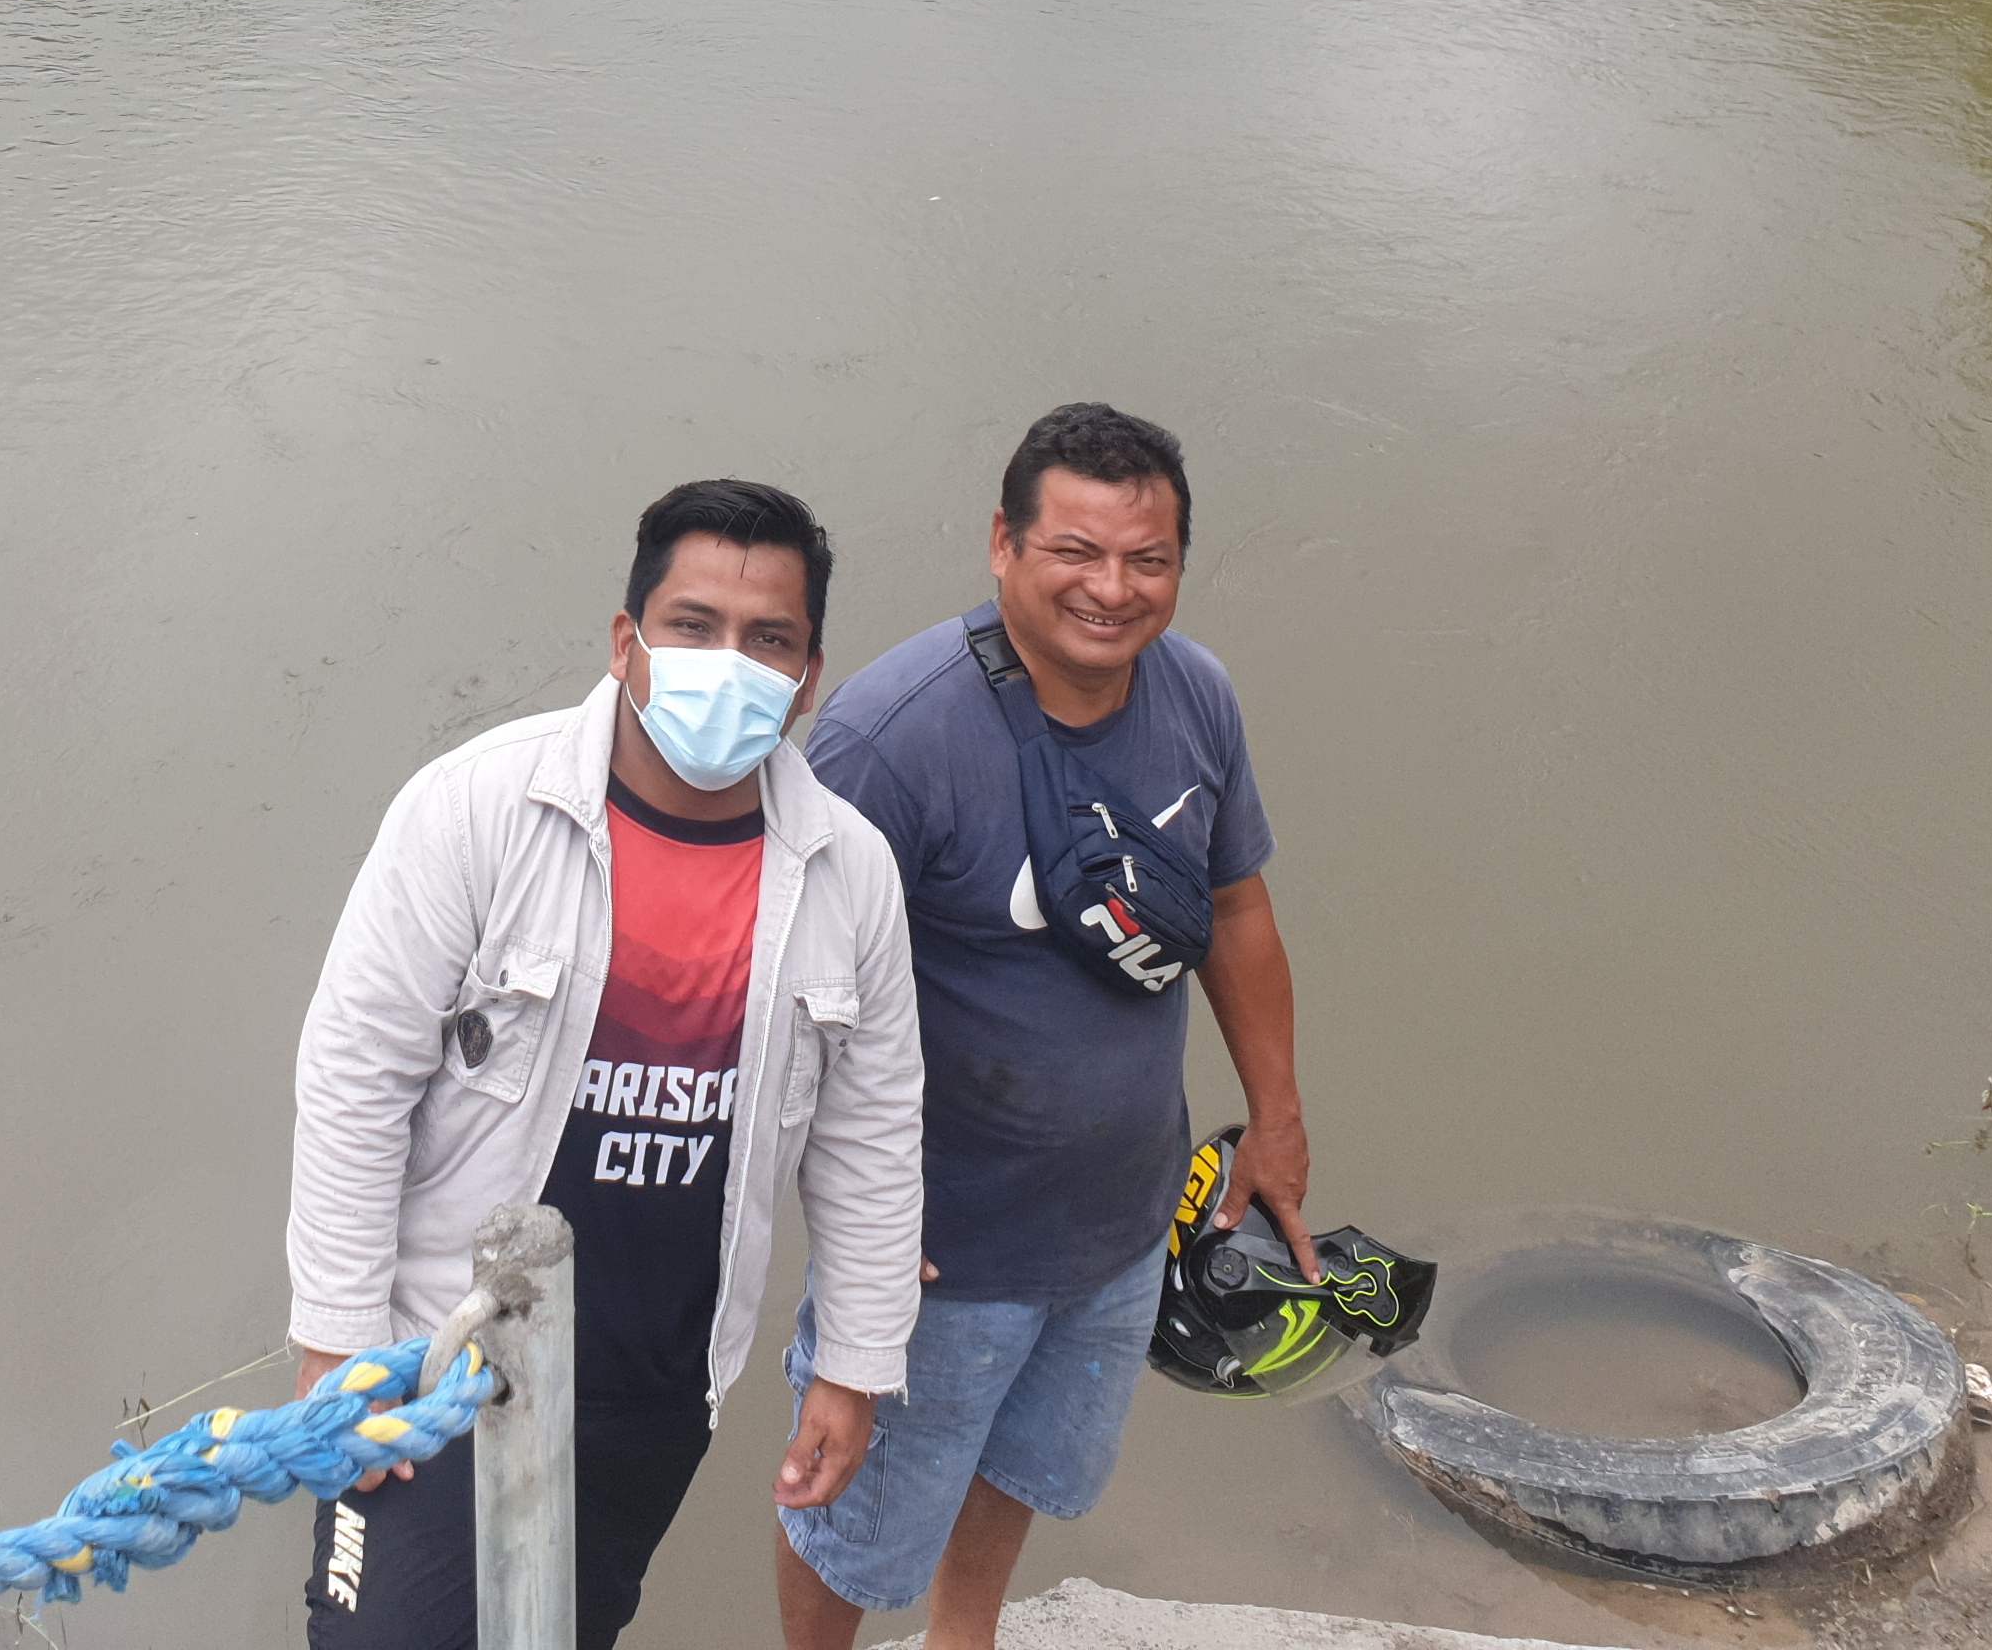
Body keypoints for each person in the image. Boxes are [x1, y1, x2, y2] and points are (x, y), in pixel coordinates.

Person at [287, 477, 925, 1650]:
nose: (728, 663)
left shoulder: (851, 872)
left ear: (808, 678)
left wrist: (853, 1365)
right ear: (626, 642)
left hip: (658, 1385)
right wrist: (339, 1347)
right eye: (693, 626)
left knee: (566, 1633)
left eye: (768, 639)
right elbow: (354, 1079)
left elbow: (871, 1137)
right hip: (439, 1359)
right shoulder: (476, 810)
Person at [775, 404, 1309, 1650]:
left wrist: (1277, 1122)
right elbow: (786, 1004)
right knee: (848, 1511)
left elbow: (1237, 909)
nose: (1112, 591)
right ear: (1003, 545)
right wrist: (854, 1230)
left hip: (1122, 1222)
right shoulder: (889, 741)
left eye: (1146, 559)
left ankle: (966, 1638)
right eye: (1074, 551)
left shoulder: (1196, 696)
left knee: (1022, 1462)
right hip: (943, 1250)